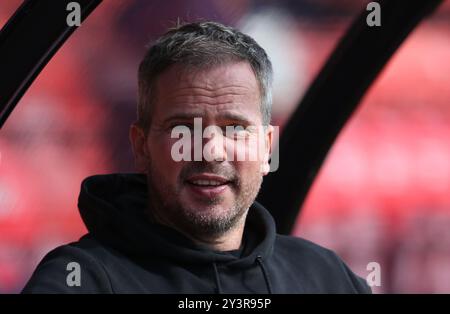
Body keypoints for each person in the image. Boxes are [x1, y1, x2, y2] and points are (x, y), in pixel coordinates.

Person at [22, 21, 371, 294]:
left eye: (235, 128)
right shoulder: (81, 281)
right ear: (141, 146)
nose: (211, 151)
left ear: (267, 148)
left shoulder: (326, 276)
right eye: (183, 128)